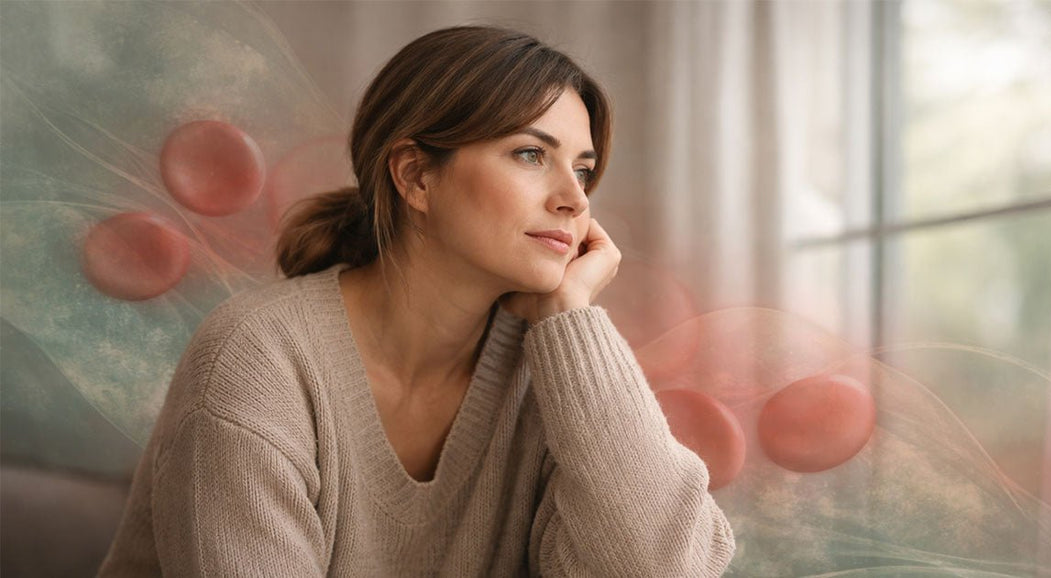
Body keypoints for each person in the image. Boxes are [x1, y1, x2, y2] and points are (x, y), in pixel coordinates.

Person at [97, 25, 735, 577]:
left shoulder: (564, 373)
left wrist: (573, 318)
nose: (575, 198)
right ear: (415, 175)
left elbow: (659, 568)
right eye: (531, 154)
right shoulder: (257, 361)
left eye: (585, 168)